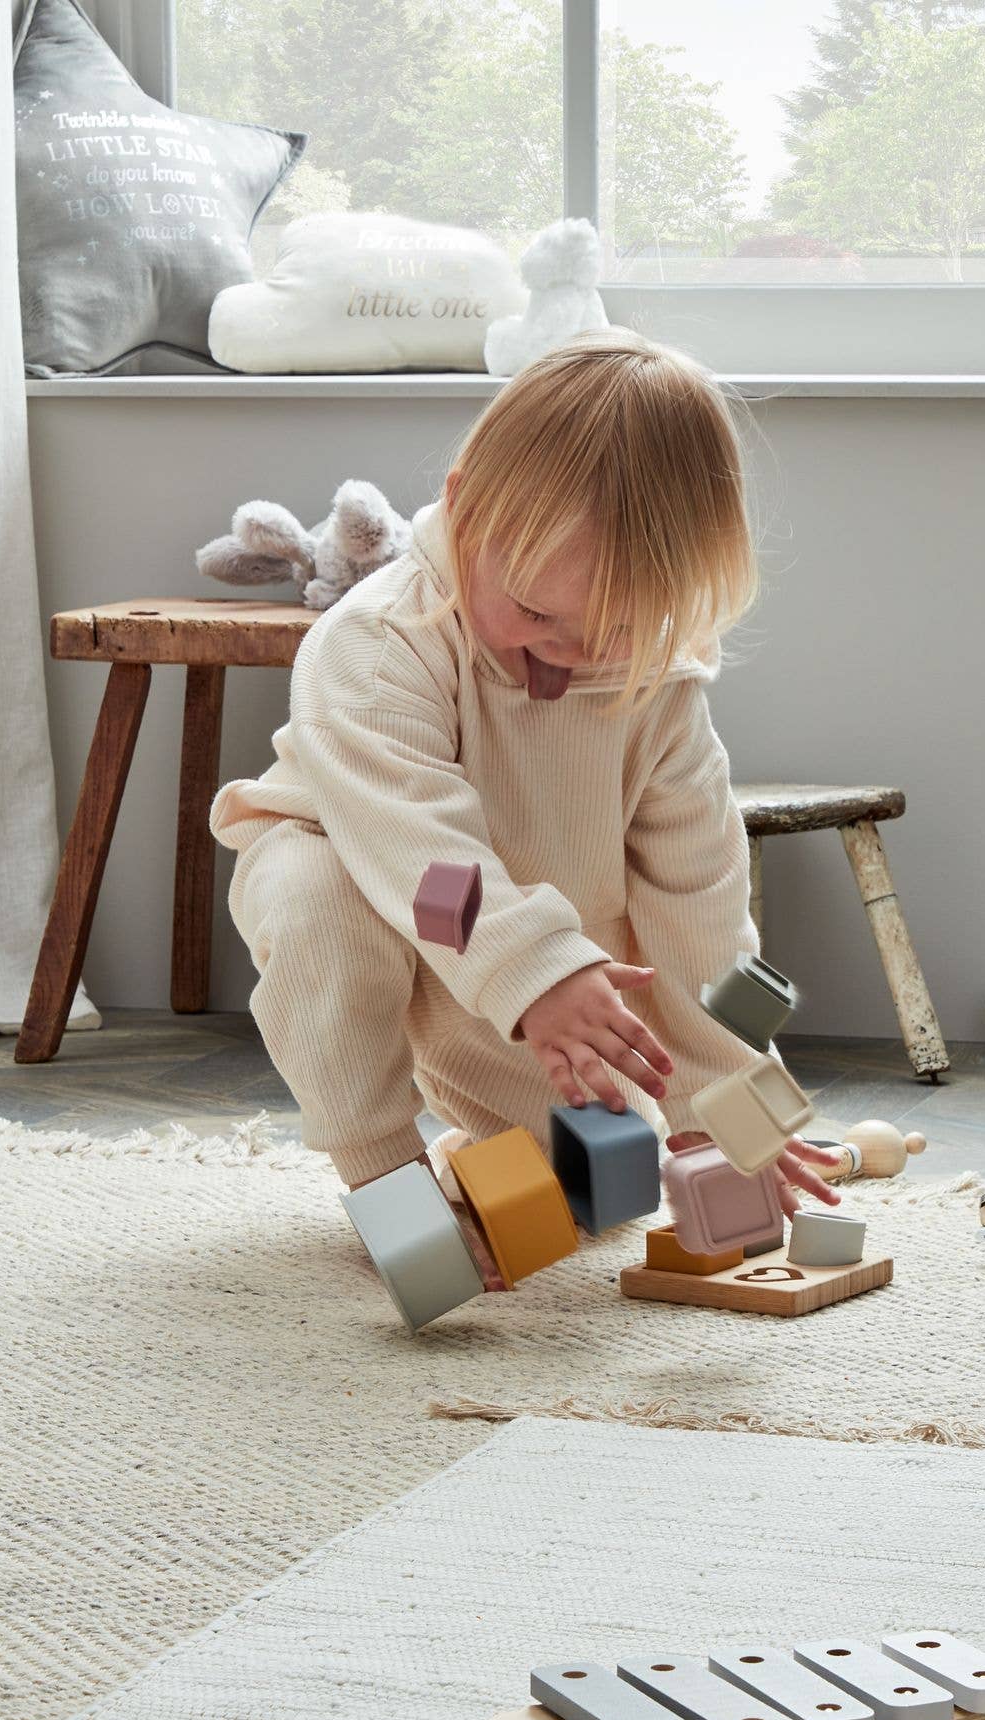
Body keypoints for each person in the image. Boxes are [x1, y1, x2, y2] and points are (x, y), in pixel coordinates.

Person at [212, 332, 840, 1270]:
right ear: (465, 509)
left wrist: (741, 1107)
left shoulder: (659, 689)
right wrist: (537, 973)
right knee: (320, 908)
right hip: (379, 881)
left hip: (532, 935)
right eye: (538, 614)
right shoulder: (377, 644)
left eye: (619, 626)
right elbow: (422, 860)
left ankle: (484, 1159)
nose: (571, 652)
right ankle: (387, 1181)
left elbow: (703, 917)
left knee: (601, 1193)